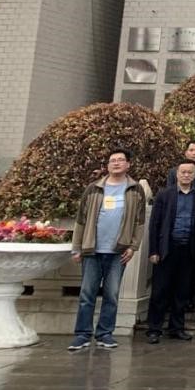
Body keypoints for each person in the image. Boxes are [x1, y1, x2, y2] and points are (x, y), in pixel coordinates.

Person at [69, 147, 146, 351]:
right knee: (87, 294)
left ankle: (105, 333)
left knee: (111, 295)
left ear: (128, 164)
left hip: (118, 251)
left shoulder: (135, 190)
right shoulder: (93, 189)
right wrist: (76, 247)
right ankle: (82, 334)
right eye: (113, 160)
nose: (116, 163)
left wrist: (133, 246)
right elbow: (81, 219)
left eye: (120, 160)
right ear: (107, 165)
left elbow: (139, 222)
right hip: (92, 249)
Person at [146, 160, 195, 344]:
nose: (186, 175)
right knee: (160, 291)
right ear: (176, 174)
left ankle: (177, 327)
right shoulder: (164, 194)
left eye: (190, 172)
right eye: (183, 172)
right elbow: (155, 224)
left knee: (182, 292)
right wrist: (154, 250)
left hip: (188, 248)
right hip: (167, 248)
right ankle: (154, 329)